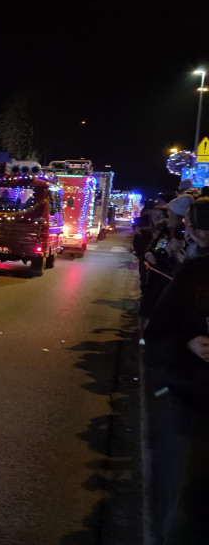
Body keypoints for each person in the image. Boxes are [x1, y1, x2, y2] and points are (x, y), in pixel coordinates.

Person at [143, 197, 209, 543]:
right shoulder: (193, 276)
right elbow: (156, 340)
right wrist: (189, 345)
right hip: (197, 408)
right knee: (189, 507)